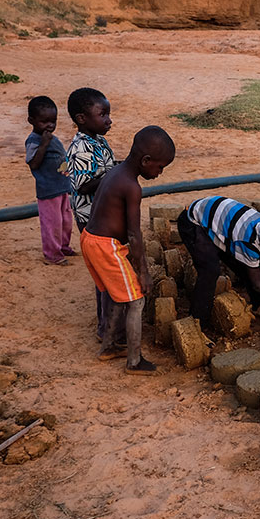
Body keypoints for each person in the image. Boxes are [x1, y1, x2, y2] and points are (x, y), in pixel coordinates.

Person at [82, 126, 175, 374]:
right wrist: (143, 272)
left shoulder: (116, 172)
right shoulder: (132, 187)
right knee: (136, 300)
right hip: (105, 246)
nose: (160, 172)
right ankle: (134, 361)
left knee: (115, 295)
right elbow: (134, 234)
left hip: (90, 239)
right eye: (159, 167)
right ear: (146, 161)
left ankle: (109, 346)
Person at [177, 196, 260, 325]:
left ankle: (259, 304)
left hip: (219, 222)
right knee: (210, 270)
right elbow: (257, 284)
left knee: (246, 266)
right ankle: (197, 321)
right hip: (194, 222)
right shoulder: (248, 241)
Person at [66, 88, 118, 344]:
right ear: (82, 118)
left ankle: (108, 322)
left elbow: (106, 167)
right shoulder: (80, 148)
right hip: (90, 219)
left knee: (107, 274)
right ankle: (105, 328)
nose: (109, 119)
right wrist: (114, 176)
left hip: (101, 214)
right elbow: (84, 185)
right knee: (105, 274)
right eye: (103, 114)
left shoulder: (98, 140)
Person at [24, 96, 75, 265]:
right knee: (52, 224)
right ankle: (52, 254)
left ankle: (63, 246)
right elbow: (33, 163)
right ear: (31, 120)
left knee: (66, 221)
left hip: (61, 188)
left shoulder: (53, 138)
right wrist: (44, 145)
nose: (50, 125)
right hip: (48, 191)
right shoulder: (34, 141)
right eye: (44, 122)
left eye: (53, 121)